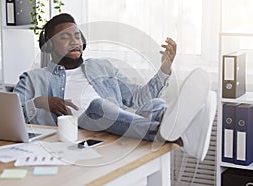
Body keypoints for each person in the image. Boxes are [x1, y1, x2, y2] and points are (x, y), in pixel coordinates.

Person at [13, 13, 216, 161]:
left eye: (76, 36)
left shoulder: (103, 67)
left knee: (155, 104)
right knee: (98, 107)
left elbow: (138, 99)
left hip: (119, 125)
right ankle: (180, 134)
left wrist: (164, 68)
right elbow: (12, 117)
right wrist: (40, 102)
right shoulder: (33, 78)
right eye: (65, 37)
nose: (74, 41)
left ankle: (181, 135)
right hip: (81, 132)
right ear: (49, 46)